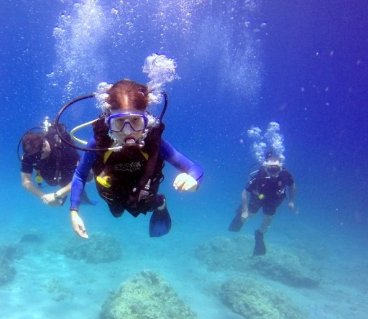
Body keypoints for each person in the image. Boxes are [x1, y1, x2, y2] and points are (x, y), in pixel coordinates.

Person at [69, 79, 203, 239]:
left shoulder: (155, 143)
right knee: (116, 212)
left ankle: (160, 204)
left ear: (146, 120)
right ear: (108, 121)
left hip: (143, 191)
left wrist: (193, 180)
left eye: (135, 121)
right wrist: (74, 212)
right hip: (112, 191)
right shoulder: (98, 143)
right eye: (119, 122)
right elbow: (80, 175)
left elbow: (194, 169)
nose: (128, 132)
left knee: (143, 205)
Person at [228, 152, 296, 255]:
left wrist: (291, 201)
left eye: (276, 169)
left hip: (274, 200)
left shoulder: (285, 174)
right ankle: (240, 213)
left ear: (280, 167)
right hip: (258, 197)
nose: (273, 173)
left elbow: (292, 186)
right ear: (265, 167)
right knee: (251, 214)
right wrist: (245, 211)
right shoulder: (259, 175)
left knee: (268, 220)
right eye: (270, 169)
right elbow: (245, 192)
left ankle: (259, 234)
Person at [20, 117, 80, 206]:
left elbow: (82, 175)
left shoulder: (64, 147)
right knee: (52, 182)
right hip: (51, 174)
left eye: (39, 154)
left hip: (66, 165)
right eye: (33, 156)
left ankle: (77, 193)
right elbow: (25, 181)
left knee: (88, 177)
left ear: (44, 144)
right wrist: (44, 196)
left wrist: (58, 194)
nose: (37, 158)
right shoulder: (31, 154)